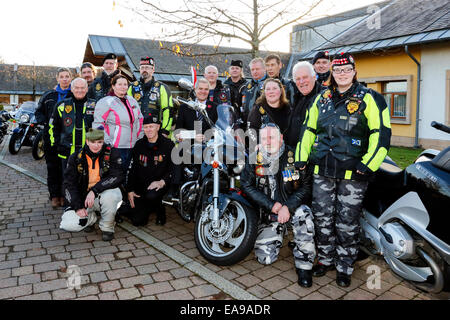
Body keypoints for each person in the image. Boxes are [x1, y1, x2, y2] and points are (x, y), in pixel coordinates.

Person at [295, 52, 392, 287]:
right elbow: (308, 129)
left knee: (347, 221)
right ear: (332, 73)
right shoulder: (322, 98)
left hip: (353, 174)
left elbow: (382, 135)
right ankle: (326, 260)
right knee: (322, 218)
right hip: (323, 172)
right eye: (337, 71)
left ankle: (344, 266)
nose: (342, 74)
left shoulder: (370, 98)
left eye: (346, 70)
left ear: (354, 71)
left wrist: (368, 165)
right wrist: (301, 157)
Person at [240, 123, 315, 287]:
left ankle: (304, 265)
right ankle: (279, 233)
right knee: (265, 259)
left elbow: (307, 186)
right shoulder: (254, 157)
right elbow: (246, 185)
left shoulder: (295, 155)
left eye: (272, 137)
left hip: (293, 209)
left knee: (304, 214)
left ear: (281, 138)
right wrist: (272, 205)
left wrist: (288, 206)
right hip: (269, 212)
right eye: (264, 138)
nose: (268, 141)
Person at [60, 129, 124, 241]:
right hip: (84, 199)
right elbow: (68, 185)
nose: (96, 145)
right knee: (67, 224)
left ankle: (107, 227)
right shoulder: (76, 157)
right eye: (93, 142)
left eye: (99, 142)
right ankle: (91, 218)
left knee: (112, 196)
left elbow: (117, 176)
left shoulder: (112, 153)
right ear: (87, 141)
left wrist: (94, 190)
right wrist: (78, 206)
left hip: (102, 194)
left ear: (103, 141)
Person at [126, 113, 174, 226]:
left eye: (151, 126)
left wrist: (163, 181)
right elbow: (132, 169)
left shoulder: (168, 145)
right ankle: (148, 207)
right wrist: (130, 190)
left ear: (158, 127)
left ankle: (160, 210)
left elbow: (174, 168)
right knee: (137, 221)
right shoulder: (139, 145)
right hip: (142, 186)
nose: (148, 129)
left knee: (152, 196)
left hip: (160, 185)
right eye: (146, 127)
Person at [36, 67, 73, 209]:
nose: (64, 79)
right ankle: (54, 196)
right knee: (52, 168)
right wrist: (45, 123)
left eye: (67, 76)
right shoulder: (48, 95)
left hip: (67, 139)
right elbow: (38, 112)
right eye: (62, 77)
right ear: (57, 79)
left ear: (70, 78)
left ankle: (64, 196)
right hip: (51, 137)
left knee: (65, 169)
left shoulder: (73, 94)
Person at [93, 74, 144, 172]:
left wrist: (140, 138)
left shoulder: (132, 100)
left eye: (125, 84)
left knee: (126, 174)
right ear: (113, 86)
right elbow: (98, 124)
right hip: (116, 147)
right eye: (119, 84)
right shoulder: (106, 101)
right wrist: (107, 143)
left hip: (132, 146)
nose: (123, 87)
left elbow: (140, 120)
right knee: (114, 175)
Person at [49, 77, 96, 174]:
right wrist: (56, 144)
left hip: (88, 152)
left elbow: (99, 128)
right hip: (67, 152)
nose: (80, 90)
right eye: (77, 88)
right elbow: (53, 126)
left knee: (87, 181)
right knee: (68, 181)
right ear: (72, 89)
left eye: (82, 88)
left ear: (87, 89)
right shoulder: (62, 105)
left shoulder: (95, 105)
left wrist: (96, 146)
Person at [127, 56, 174, 137]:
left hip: (155, 131)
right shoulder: (132, 87)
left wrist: (165, 130)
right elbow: (127, 109)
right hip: (135, 131)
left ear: (153, 70)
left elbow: (168, 111)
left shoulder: (162, 87)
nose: (144, 70)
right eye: (142, 68)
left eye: (147, 68)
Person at [285, 61, 323, 148]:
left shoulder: (325, 97)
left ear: (314, 77)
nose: (301, 82)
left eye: (305, 77)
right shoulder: (296, 97)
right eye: (298, 79)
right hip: (294, 154)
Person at [247, 78, 291, 148]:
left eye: (274, 88)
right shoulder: (258, 108)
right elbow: (251, 129)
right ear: (264, 92)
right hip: (264, 149)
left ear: (281, 91)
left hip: (283, 149)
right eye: (268, 89)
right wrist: (258, 143)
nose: (271, 92)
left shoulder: (288, 108)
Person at [241, 58, 267, 125]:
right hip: (247, 125)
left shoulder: (271, 85)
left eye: (257, 69)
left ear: (264, 69)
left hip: (264, 126)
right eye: (252, 69)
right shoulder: (246, 86)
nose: (255, 71)